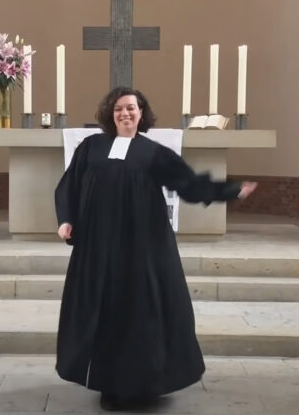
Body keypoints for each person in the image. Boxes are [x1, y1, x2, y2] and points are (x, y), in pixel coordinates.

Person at [54, 87, 257, 411]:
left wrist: (230, 190)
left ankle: (142, 386)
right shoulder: (91, 147)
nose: (126, 114)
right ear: (110, 113)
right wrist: (65, 218)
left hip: (142, 248)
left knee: (140, 313)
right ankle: (109, 384)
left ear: (141, 114)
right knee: (106, 312)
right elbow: (70, 184)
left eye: (132, 108)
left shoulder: (152, 153)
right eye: (119, 108)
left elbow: (188, 183)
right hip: (99, 247)